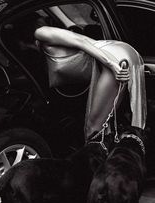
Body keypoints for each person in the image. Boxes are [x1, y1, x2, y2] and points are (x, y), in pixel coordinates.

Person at [34, 8, 147, 147]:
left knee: (93, 129)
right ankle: (103, 161)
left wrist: (112, 65)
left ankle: (96, 165)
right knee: (103, 127)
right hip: (111, 56)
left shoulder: (41, 31)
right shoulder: (40, 43)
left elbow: (81, 41)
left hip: (113, 57)